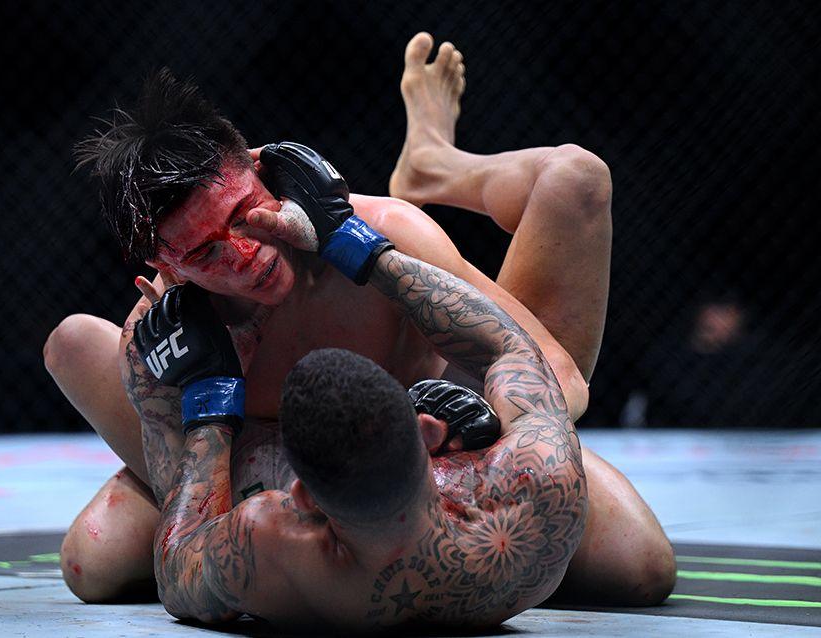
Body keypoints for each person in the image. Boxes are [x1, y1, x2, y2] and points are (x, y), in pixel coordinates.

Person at [43, 32, 674, 605]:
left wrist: (460, 428)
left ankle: (436, 165)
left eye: (244, 214)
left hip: (424, 462)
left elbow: (561, 379)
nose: (245, 253)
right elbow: (189, 490)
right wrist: (201, 409)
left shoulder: (380, 234)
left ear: (264, 170)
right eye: (206, 252)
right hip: (280, 483)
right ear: (166, 266)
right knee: (90, 561)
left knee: (640, 567)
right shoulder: (163, 335)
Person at [126, 171, 586, 627]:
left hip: (272, 484)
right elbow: (508, 346)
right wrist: (353, 241)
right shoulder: (542, 484)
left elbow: (176, 565)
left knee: (72, 345)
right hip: (490, 543)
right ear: (427, 431)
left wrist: (210, 396)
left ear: (300, 495)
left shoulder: (269, 543)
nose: (242, 252)